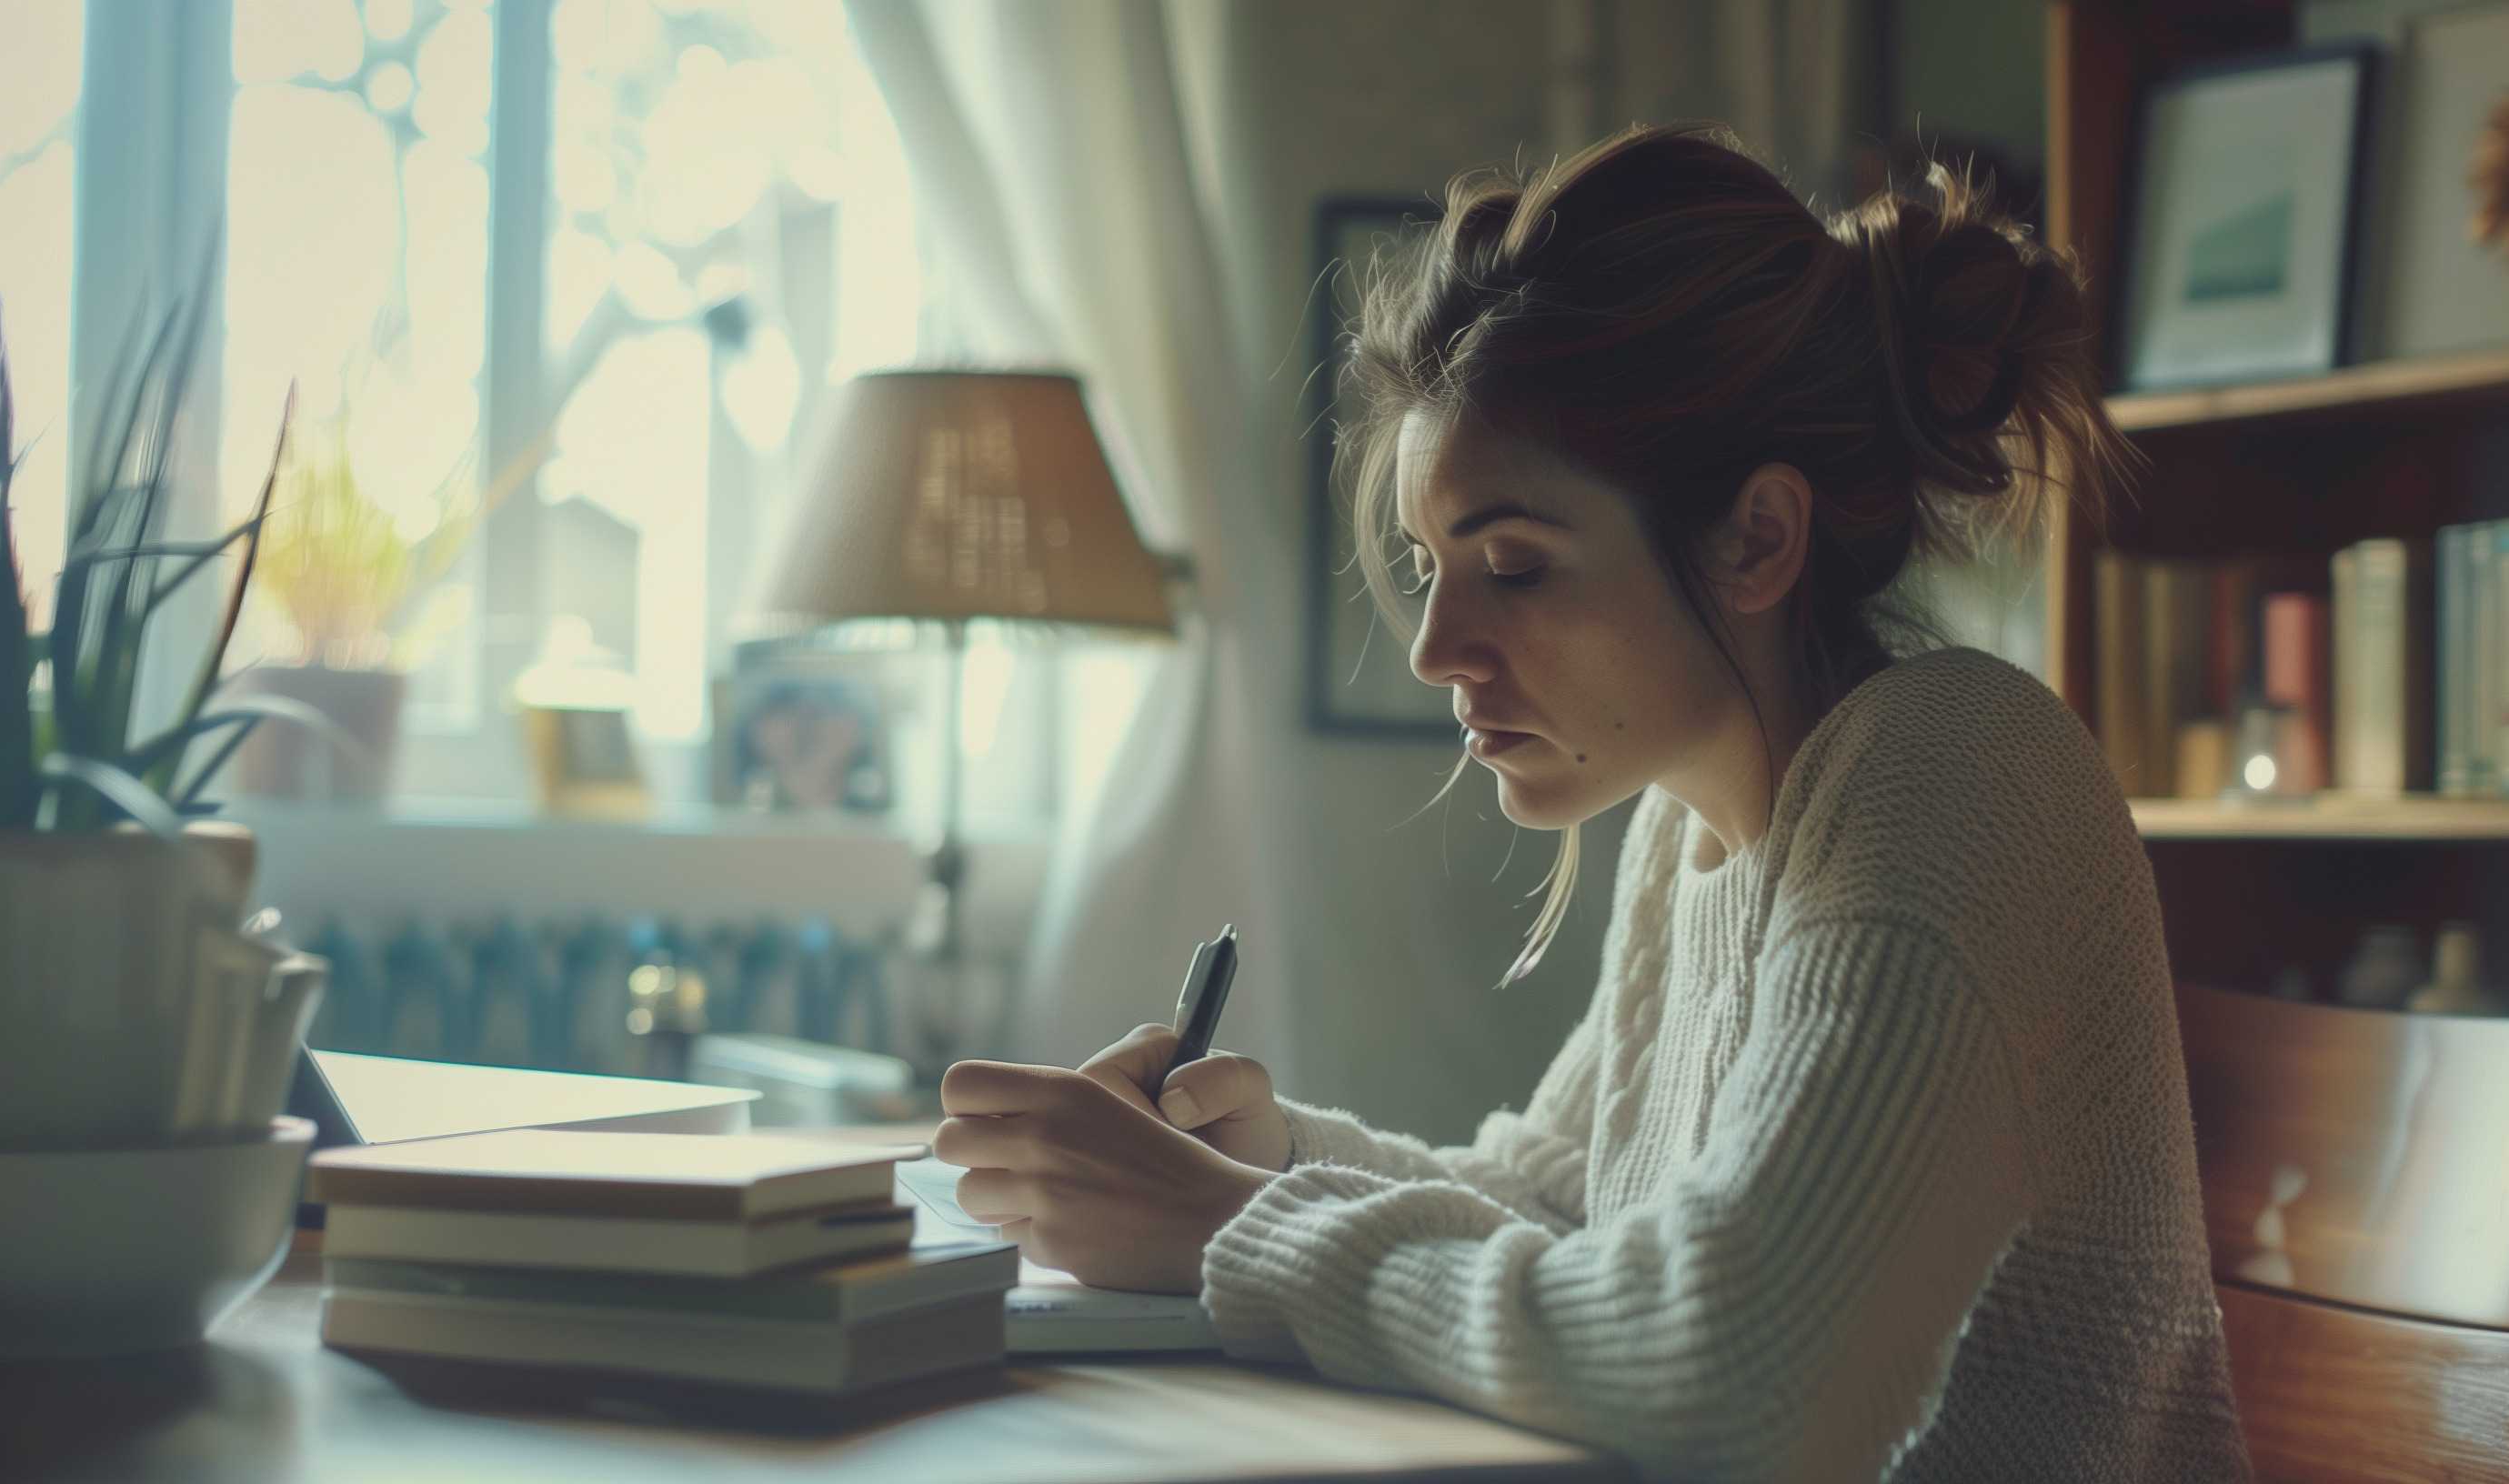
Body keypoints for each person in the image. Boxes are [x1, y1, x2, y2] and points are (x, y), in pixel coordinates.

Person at [929, 122, 2252, 1481]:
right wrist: (1263, 1162)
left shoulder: (1959, 771)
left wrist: (1220, 1230)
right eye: (1429, 566)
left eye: (1512, 565)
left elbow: (1742, 1372)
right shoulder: (1697, 828)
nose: (1437, 649)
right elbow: (1567, 1208)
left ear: (1759, 537)